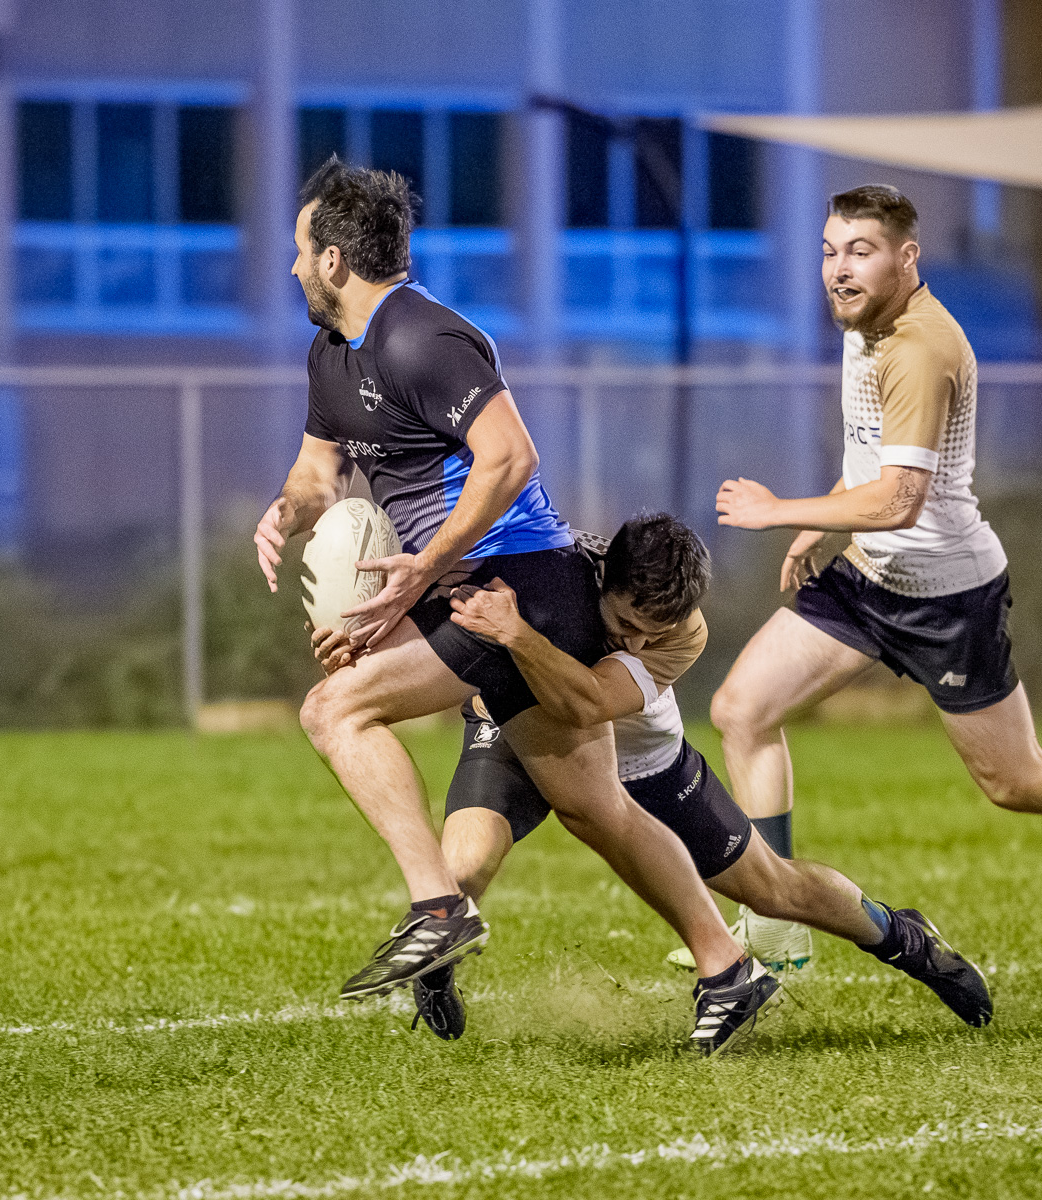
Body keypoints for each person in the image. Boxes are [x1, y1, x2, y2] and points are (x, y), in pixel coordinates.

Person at [255, 157, 773, 1055]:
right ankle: (727, 965)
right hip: (470, 580)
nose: (292, 266)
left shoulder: (421, 338)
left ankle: (438, 907)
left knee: (333, 709)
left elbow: (512, 458)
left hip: (521, 579)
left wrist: (425, 571)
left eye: (301, 250)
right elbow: (318, 468)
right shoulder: (330, 352)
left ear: (336, 259)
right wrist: (285, 510)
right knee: (595, 807)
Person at [708, 185, 1042, 970]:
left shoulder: (922, 348)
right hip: (868, 577)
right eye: (830, 251)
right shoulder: (866, 321)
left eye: (860, 251)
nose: (839, 269)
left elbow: (900, 499)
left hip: (945, 598)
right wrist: (822, 518)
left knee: (1016, 781)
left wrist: (775, 508)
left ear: (907, 256)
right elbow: (874, 456)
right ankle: (778, 920)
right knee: (741, 709)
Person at [395, 514, 992, 1046]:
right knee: (457, 881)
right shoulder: (549, 569)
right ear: (604, 580)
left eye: (654, 630)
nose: (638, 641)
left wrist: (518, 635)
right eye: (626, 622)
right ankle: (438, 964)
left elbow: (590, 704)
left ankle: (903, 938)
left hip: (641, 763)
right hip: (510, 739)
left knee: (772, 891)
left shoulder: (685, 632)